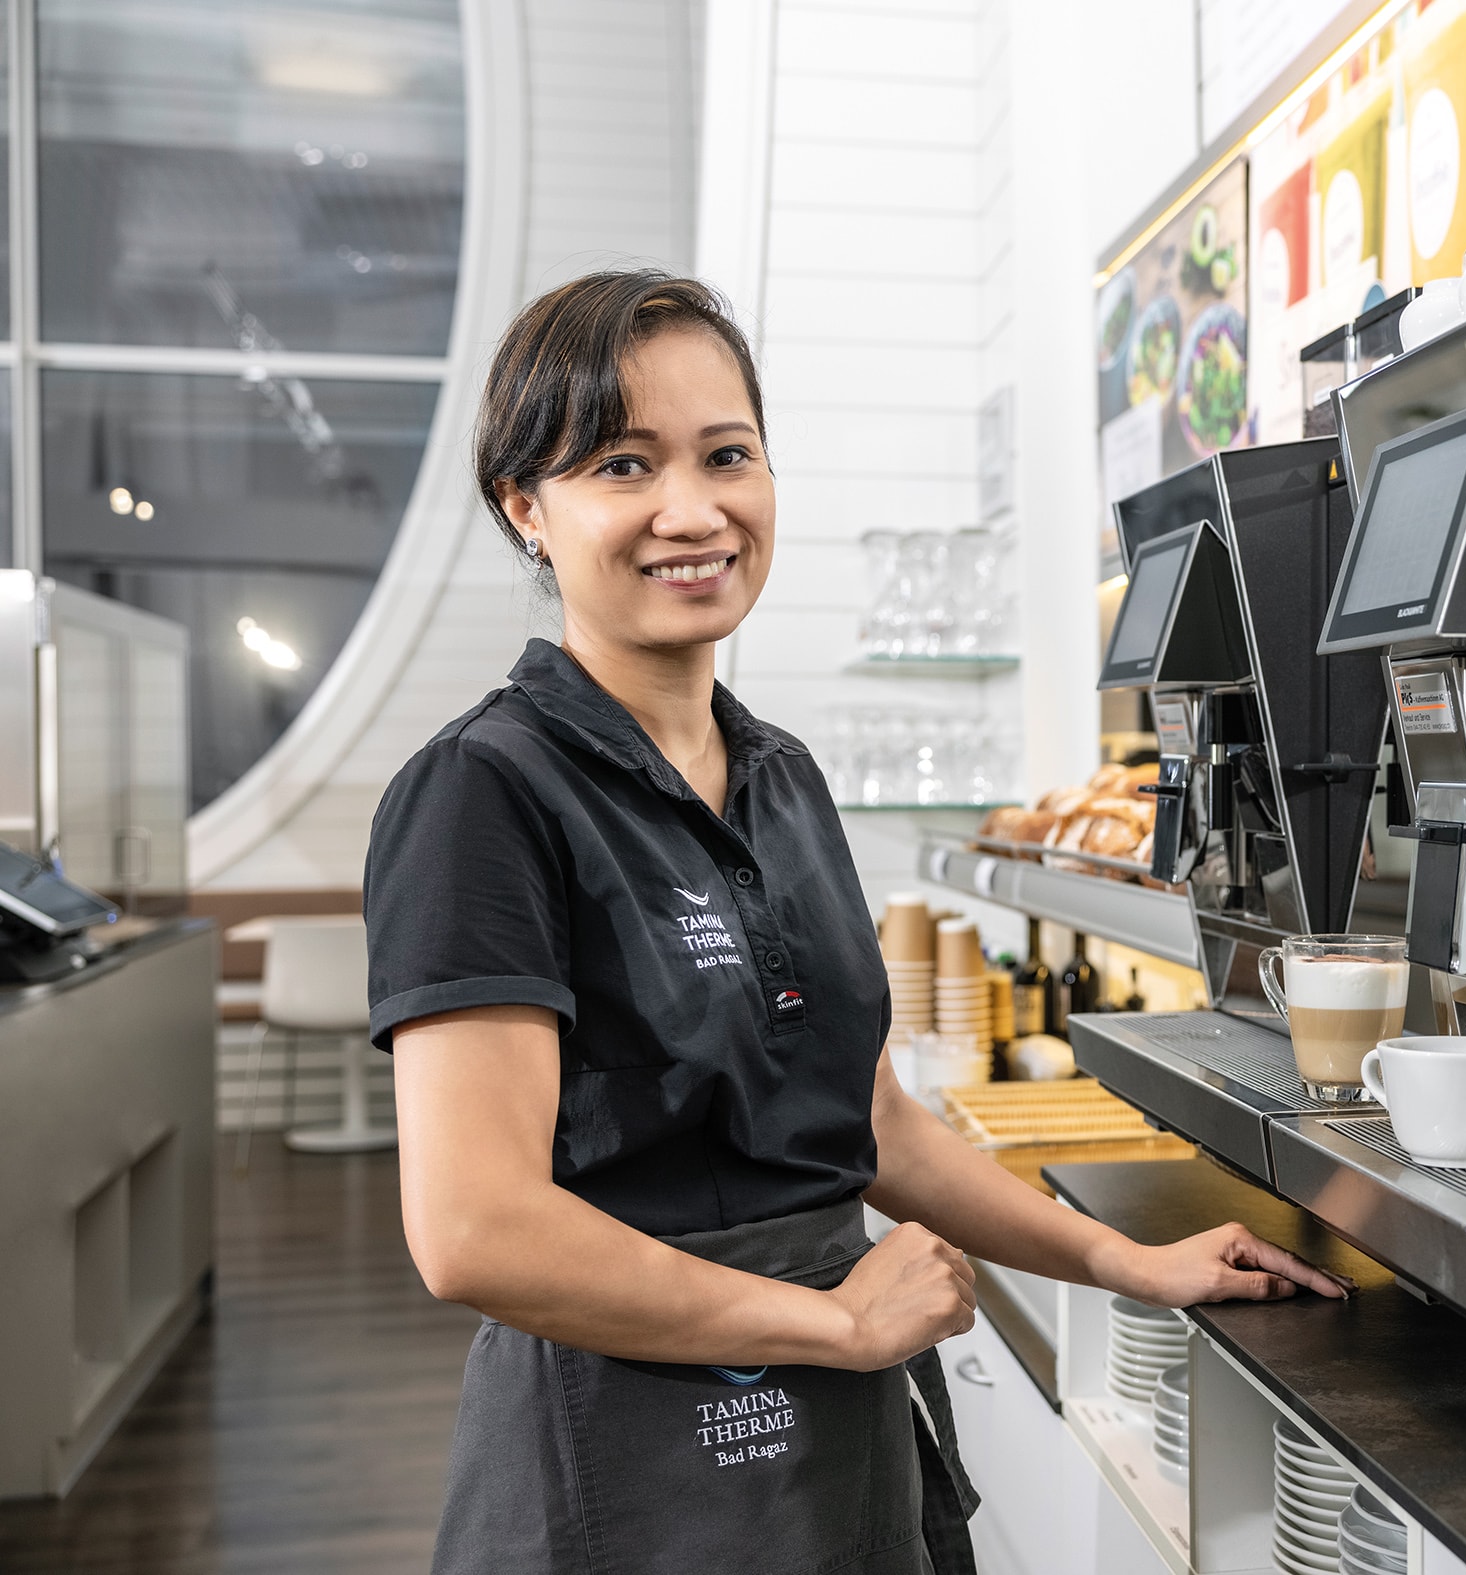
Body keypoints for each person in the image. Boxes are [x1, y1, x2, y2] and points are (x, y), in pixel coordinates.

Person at [364, 271, 1346, 1574]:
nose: (692, 510)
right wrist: (829, 1325)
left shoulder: (778, 778)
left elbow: (870, 1123)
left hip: (839, 1430)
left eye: (728, 455)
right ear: (526, 509)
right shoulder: (485, 793)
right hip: (634, 1459)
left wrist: (1127, 1262)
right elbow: (473, 1228)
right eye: (622, 464)